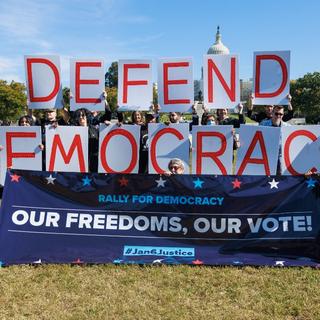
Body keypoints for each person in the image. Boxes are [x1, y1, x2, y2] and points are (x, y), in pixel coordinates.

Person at [260, 105, 290, 174]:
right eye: (276, 113)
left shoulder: (288, 127)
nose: (278, 116)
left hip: (281, 156)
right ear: (272, 113)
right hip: (266, 156)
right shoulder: (263, 125)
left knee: (280, 178)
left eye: (281, 114)